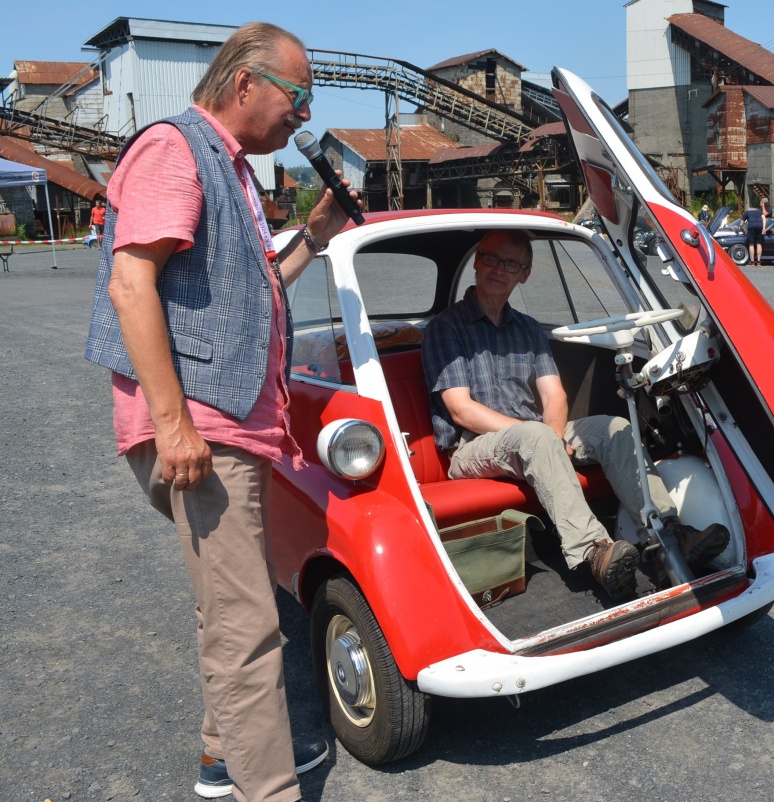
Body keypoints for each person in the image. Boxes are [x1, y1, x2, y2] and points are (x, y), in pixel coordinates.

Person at [84, 22, 358, 802]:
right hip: (204, 428)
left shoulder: (229, 167)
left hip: (225, 425)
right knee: (247, 627)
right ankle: (262, 791)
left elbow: (256, 286)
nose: (303, 116)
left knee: (229, 606)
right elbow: (131, 284)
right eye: (298, 97)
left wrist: (316, 234)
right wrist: (173, 426)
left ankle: (221, 756)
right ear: (246, 84)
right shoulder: (175, 150)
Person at [422, 229, 730, 601]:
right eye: (490, 258)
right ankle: (595, 551)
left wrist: (553, 434)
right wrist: (544, 437)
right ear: (477, 262)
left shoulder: (528, 328)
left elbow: (554, 394)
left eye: (511, 264)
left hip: (532, 436)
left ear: (524, 274)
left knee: (613, 428)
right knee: (535, 435)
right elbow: (461, 410)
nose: (498, 269)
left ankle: (668, 533)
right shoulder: (446, 327)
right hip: (472, 448)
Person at [740, 199, 766, 266]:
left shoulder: (747, 212)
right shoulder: (759, 211)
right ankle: (759, 262)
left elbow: (741, 224)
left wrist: (743, 230)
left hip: (751, 227)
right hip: (760, 227)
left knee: (751, 244)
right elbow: (764, 219)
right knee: (759, 244)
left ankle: (752, 262)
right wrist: (763, 228)